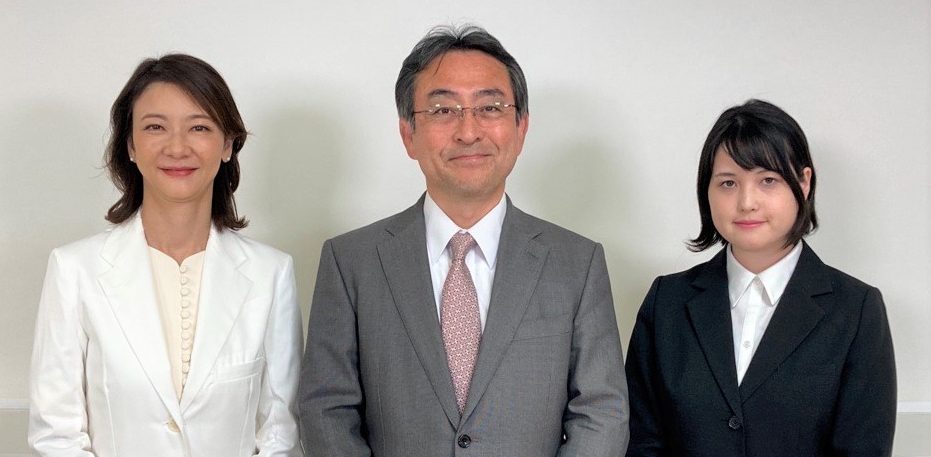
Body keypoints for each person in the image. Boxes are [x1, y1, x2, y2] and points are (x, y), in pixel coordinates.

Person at [299, 25, 628, 456]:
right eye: (443, 110)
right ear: (408, 134)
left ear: (521, 127)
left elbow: (601, 413)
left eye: (490, 107)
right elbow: (326, 410)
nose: (468, 131)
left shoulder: (577, 263)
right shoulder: (350, 262)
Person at [28, 54, 303, 457]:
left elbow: (281, 432)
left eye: (199, 127)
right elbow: (56, 435)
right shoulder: (74, 270)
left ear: (227, 145)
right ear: (130, 145)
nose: (177, 147)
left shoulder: (271, 274)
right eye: (155, 127)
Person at [625, 99, 897, 457]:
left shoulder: (856, 310)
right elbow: (641, 441)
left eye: (768, 180)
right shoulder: (667, 301)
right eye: (728, 183)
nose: (746, 202)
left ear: (803, 182)